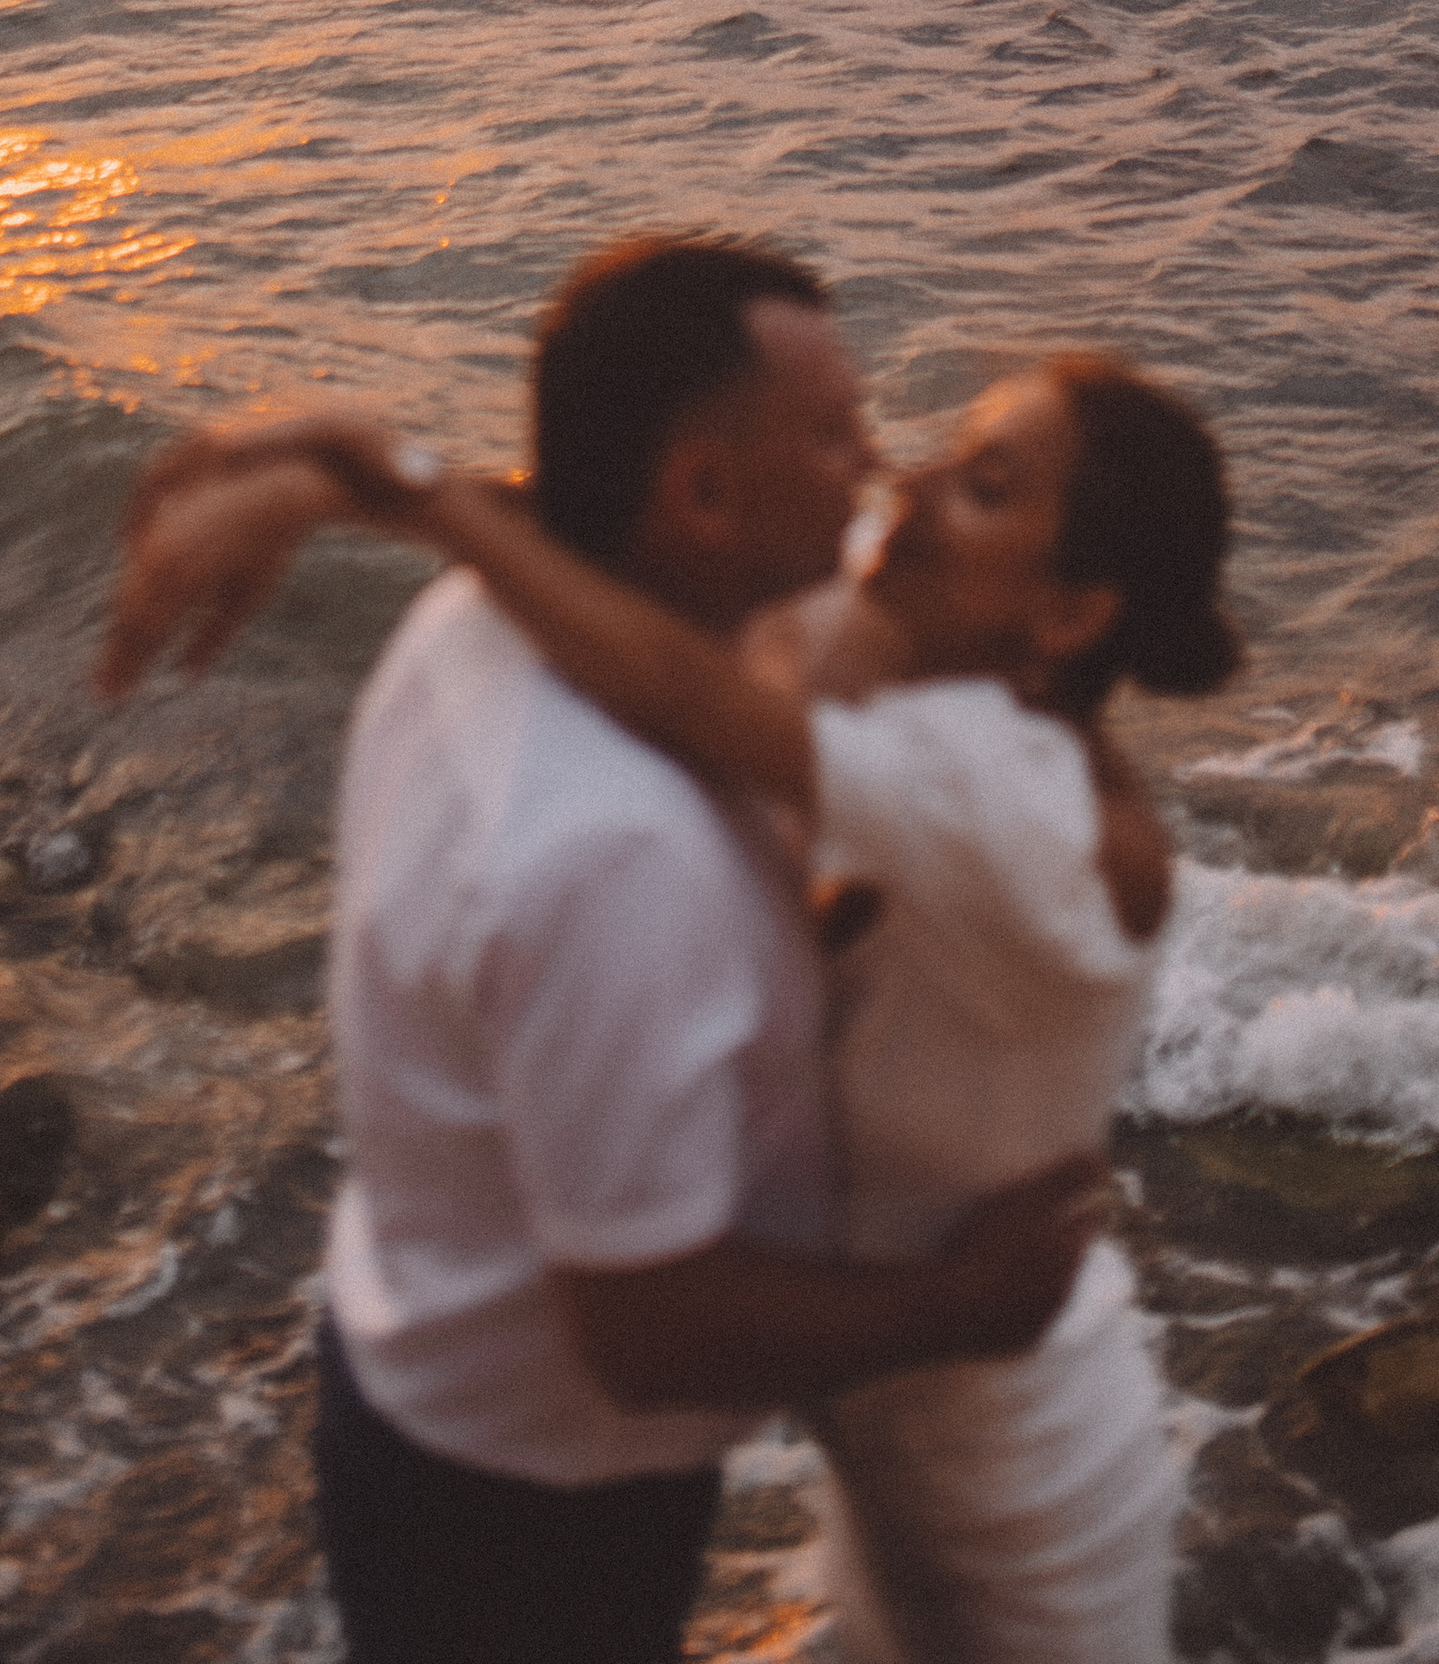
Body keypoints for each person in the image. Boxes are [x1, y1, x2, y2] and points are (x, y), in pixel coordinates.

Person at [111, 326, 1239, 1664]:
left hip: (1020, 1462)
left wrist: (389, 483)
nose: (912, 485)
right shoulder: (908, 645)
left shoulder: (1026, 803)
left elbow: (677, 690)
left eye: (985, 486)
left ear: (1069, 611)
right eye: (948, 452)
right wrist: (315, 461)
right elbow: (678, 530)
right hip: (879, 1404)